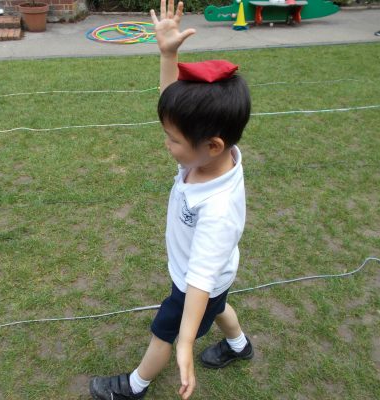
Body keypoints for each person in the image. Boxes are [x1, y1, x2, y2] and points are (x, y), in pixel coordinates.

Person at [89, 1, 254, 399]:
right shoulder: (213, 159)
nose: (166, 143)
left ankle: (133, 386)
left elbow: (199, 280)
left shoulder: (217, 208)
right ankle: (239, 346)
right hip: (216, 276)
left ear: (211, 144)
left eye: (172, 140)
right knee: (218, 306)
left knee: (166, 331)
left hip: (195, 282)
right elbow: (174, 111)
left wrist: (185, 342)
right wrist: (169, 55)